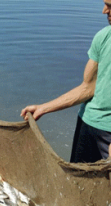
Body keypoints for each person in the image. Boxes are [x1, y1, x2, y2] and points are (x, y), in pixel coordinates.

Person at [20, 1, 111, 163]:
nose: (104, 11)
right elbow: (88, 87)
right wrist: (43, 108)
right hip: (87, 123)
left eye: (110, 6)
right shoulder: (103, 37)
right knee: (79, 183)